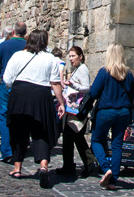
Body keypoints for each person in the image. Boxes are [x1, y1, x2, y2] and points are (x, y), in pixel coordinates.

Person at [2, 29, 65, 188]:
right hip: (41, 97)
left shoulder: (18, 55)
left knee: (18, 132)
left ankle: (17, 168)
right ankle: (43, 166)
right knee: (41, 132)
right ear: (45, 42)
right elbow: (55, 83)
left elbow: (7, 79)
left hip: (20, 95)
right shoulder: (50, 58)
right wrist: (61, 103)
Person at [90, 44, 134, 191]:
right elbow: (131, 96)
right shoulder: (129, 74)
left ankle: (105, 167)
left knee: (96, 140)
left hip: (106, 111)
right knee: (117, 145)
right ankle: (113, 180)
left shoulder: (104, 72)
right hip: (123, 112)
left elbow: (94, 93)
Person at [0, 22, 27, 162]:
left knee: (4, 116)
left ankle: (7, 150)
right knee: (21, 117)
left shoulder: (4, 45)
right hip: (25, 86)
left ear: (13, 32)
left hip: (7, 85)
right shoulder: (28, 46)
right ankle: (20, 148)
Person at [56, 46, 98, 177]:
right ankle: (82, 164)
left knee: (72, 137)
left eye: (73, 56)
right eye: (70, 56)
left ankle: (84, 164)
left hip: (77, 110)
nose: (71, 58)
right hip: (72, 109)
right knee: (73, 138)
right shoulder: (77, 69)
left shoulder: (83, 69)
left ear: (80, 56)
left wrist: (72, 85)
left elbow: (86, 88)